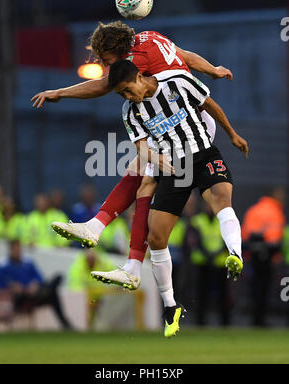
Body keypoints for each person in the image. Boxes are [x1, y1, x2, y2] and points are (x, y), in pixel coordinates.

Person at [33, 22, 231, 286]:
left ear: (116, 50)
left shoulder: (134, 60)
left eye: (105, 60)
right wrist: (213, 70)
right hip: (183, 119)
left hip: (184, 124)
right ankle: (123, 256)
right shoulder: (150, 37)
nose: (105, 66)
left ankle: (124, 257)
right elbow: (185, 56)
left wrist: (59, 92)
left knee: (143, 182)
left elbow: (102, 85)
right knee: (139, 179)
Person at [103, 59, 248, 337]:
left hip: (203, 153)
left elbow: (208, 104)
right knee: (156, 237)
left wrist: (232, 134)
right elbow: (141, 148)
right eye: (122, 94)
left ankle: (235, 255)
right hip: (173, 168)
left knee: (221, 199)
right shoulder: (130, 112)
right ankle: (171, 306)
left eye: (128, 89)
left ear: (141, 76)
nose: (128, 97)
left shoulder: (177, 81)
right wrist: (154, 158)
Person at [0, 240, 72, 329]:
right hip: (19, 298)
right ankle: (65, 324)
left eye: (19, 248)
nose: (18, 251)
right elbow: (0, 285)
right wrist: (12, 286)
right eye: (15, 249)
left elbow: (40, 278)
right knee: (53, 293)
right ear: (11, 250)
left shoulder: (28, 263)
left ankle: (49, 290)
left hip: (34, 295)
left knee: (58, 279)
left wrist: (34, 284)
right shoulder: (3, 266)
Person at [242, 188, 286, 326]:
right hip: (268, 255)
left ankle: (256, 318)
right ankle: (260, 319)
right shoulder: (275, 211)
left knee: (255, 287)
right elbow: (275, 237)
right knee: (264, 287)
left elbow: (246, 234)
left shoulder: (254, 210)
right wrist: (276, 254)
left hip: (254, 254)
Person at [190, 203, 230, 326]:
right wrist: (209, 255)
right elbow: (194, 240)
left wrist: (214, 255)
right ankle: (200, 322)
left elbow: (227, 241)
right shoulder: (197, 221)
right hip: (203, 263)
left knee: (223, 295)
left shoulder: (223, 221)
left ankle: (225, 323)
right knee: (201, 294)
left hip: (219, 263)